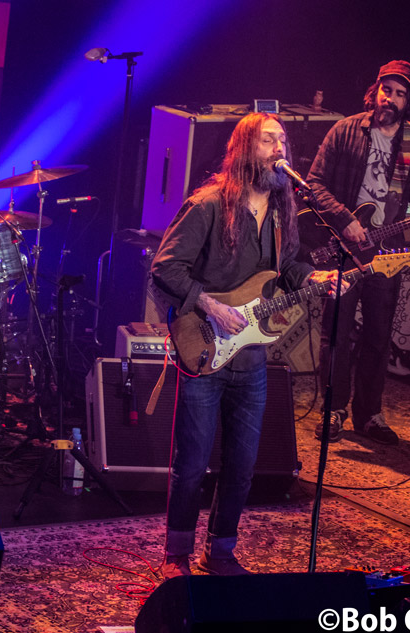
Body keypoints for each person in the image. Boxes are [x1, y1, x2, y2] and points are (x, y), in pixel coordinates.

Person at [151, 113, 342, 577]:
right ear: (244, 150)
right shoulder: (209, 205)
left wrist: (314, 276)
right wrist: (212, 307)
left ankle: (221, 550)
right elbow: (165, 267)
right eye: (268, 140)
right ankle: (176, 554)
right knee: (192, 463)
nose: (280, 149)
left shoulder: (280, 211)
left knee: (243, 463)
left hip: (251, 353)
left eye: (283, 141)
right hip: (204, 343)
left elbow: (285, 268)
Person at [306, 60, 410, 445]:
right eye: (386, 90)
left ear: (408, 100)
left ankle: (369, 415)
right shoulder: (345, 130)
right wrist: (345, 219)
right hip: (344, 247)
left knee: (378, 337)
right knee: (337, 334)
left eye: (399, 94)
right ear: (375, 91)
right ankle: (333, 411)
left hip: (387, 253)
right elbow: (313, 184)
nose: (390, 99)